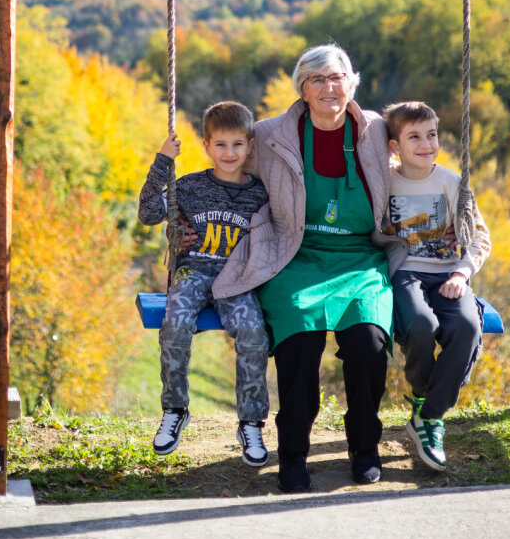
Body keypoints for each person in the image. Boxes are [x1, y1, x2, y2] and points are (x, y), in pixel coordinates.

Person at [213, 44, 404, 494]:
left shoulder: (375, 130)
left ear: (350, 83)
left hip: (361, 258)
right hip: (294, 255)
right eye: (317, 79)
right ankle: (294, 452)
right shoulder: (270, 134)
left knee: (368, 342)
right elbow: (229, 173)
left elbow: (421, 156)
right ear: (302, 89)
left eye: (336, 77)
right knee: (299, 341)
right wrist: (196, 224)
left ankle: (364, 447)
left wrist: (445, 217)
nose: (328, 87)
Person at [137, 100, 271, 468]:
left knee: (253, 331)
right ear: (207, 146)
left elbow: (279, 233)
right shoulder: (189, 187)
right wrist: (162, 162)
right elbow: (148, 213)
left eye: (237, 144)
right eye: (221, 145)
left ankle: (250, 421)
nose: (229, 153)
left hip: (236, 279)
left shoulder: (260, 194)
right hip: (192, 272)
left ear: (250, 146)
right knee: (175, 324)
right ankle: (175, 409)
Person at [382, 100, 492, 472]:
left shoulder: (451, 182)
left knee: (467, 328)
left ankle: (428, 416)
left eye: (431, 135)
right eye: (414, 137)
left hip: (447, 273)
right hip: (406, 272)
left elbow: (479, 237)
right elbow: (370, 230)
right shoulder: (384, 183)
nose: (426, 144)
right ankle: (423, 399)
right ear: (395, 146)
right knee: (421, 326)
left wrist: (461, 273)